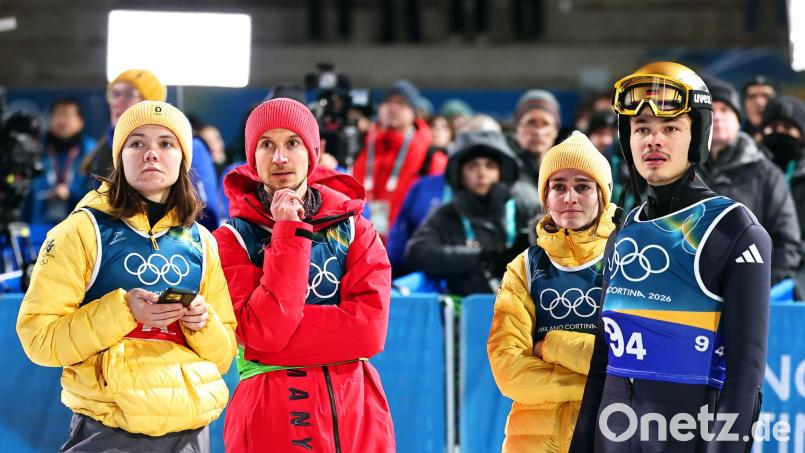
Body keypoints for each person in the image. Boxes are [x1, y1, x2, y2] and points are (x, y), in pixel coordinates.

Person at [570, 62, 771, 452]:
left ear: (698, 136)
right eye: (642, 128)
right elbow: (600, 366)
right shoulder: (624, 231)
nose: (653, 141)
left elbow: (745, 378)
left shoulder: (733, 230)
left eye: (671, 128)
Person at [16, 100, 237, 452]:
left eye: (166, 143)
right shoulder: (80, 231)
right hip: (110, 427)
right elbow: (38, 338)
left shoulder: (202, 242)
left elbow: (224, 355)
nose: (152, 153)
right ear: (120, 158)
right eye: (137, 143)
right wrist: (123, 310)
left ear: (183, 158)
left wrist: (203, 322)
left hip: (192, 429)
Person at [213, 98, 395, 452]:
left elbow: (369, 332)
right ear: (253, 157)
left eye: (292, 143)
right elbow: (262, 333)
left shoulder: (356, 228)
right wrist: (288, 231)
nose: (280, 157)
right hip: (270, 415)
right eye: (267, 145)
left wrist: (281, 342)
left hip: (356, 412)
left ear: (313, 152)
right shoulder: (230, 240)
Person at [488, 131, 616, 452]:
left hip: (610, 433)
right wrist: (595, 383)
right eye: (558, 186)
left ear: (603, 196)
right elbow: (509, 371)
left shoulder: (627, 262)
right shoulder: (525, 267)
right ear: (546, 198)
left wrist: (550, 346)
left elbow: (628, 361)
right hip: (530, 441)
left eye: (583, 186)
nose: (569, 196)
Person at [404, 130, 534, 295]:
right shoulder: (446, 214)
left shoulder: (523, 208)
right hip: (467, 312)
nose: (481, 173)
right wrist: (481, 258)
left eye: (490, 166)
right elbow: (416, 252)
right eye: (472, 166)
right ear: (460, 174)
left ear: (501, 172)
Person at [701, 75, 800, 286]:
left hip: (749, 290)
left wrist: (760, 288)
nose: (717, 117)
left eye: (725, 110)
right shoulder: (680, 171)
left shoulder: (765, 172)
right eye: (711, 110)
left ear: (739, 120)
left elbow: (787, 241)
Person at [351, 79, 440, 238]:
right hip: (362, 244)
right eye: (388, 102)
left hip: (407, 248)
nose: (393, 107)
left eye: (402, 103)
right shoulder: (363, 147)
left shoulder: (430, 155)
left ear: (414, 112)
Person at [82, 69, 167, 185]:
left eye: (129, 94)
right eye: (115, 94)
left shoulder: (173, 148)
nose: (117, 102)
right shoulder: (101, 149)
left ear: (149, 104)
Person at [26, 98, 95, 227]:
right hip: (38, 228)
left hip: (80, 227)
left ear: (80, 122)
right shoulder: (36, 150)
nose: (61, 120)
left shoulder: (92, 152)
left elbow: (98, 192)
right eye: (57, 115)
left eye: (67, 115)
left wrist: (71, 193)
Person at [508, 89, 562, 214]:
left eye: (545, 124)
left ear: (555, 131)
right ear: (517, 128)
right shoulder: (503, 169)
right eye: (531, 123)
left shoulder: (567, 168)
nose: (538, 132)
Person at [742, 75, 776, 141]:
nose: (759, 102)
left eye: (766, 96)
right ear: (744, 103)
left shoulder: (786, 134)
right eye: (752, 96)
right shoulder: (734, 135)